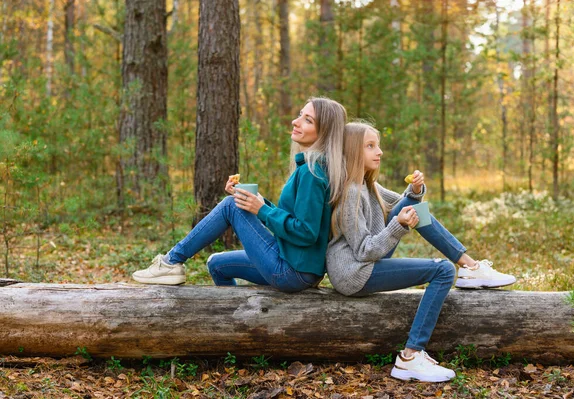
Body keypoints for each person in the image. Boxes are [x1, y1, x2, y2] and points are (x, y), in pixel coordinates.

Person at [326, 122, 516, 382]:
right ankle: (410, 356)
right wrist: (398, 224)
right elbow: (363, 250)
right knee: (443, 270)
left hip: (364, 262)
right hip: (353, 273)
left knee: (417, 210)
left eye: (378, 145)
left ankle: (471, 267)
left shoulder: (367, 185)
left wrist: (415, 191)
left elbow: (403, 203)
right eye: (370, 146)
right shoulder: (350, 193)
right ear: (352, 152)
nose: (379, 151)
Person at [132, 97, 347, 293]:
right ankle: (236, 323)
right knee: (217, 264)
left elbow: (306, 232)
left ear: (324, 132)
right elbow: (294, 217)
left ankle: (170, 262)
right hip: (295, 265)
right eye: (300, 114)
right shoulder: (311, 169)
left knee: (230, 206)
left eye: (307, 120)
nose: (295, 121)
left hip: (293, 271)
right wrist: (258, 202)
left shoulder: (312, 172)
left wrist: (260, 209)